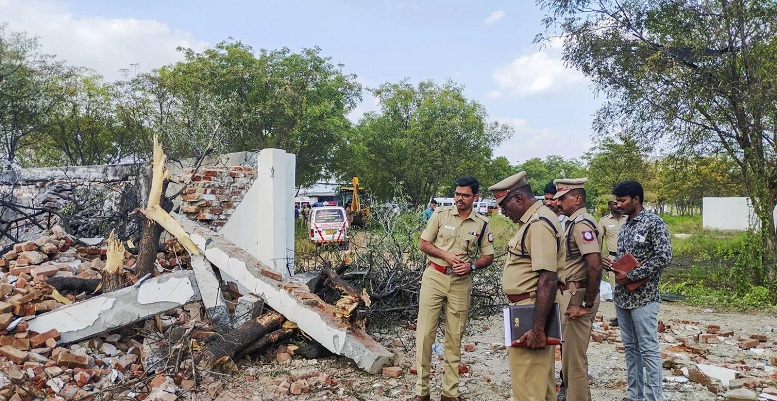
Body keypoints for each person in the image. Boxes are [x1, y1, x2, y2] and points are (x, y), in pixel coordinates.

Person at [412, 176, 495, 401]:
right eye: (457, 194)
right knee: (425, 334)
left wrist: (471, 266)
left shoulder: (482, 223)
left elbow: (488, 256)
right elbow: (423, 243)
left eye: (465, 195)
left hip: (460, 283)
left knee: (454, 337)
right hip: (434, 278)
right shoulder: (440, 215)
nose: (459, 198)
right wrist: (446, 254)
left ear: (475, 197)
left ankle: (450, 393)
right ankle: (422, 392)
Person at [488, 171, 564, 401]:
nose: (502, 211)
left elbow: (548, 278)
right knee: (542, 386)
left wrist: (538, 329)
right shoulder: (533, 220)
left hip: (531, 311)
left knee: (529, 387)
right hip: (529, 308)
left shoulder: (538, 224)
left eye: (504, 204)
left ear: (519, 199)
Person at [603, 180, 672, 401]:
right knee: (630, 348)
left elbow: (663, 256)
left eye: (623, 200)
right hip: (623, 297)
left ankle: (653, 397)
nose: (619, 204)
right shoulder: (625, 227)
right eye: (617, 200)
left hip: (644, 298)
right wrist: (612, 264)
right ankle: (635, 395)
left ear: (636, 199)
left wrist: (631, 275)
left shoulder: (654, 223)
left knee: (649, 349)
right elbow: (625, 259)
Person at [553, 178, 602, 401]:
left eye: (563, 198)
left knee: (574, 362)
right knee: (569, 359)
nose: (559, 202)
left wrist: (586, 304)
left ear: (578, 198)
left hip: (577, 296)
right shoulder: (571, 222)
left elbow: (594, 264)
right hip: (570, 294)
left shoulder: (582, 224)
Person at [599, 195, 628, 326]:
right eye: (614, 204)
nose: (617, 205)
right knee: (615, 287)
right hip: (613, 258)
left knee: (630, 286)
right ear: (609, 206)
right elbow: (598, 241)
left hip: (629, 258)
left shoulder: (628, 219)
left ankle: (630, 315)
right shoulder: (604, 221)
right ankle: (619, 317)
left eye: (619, 203)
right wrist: (599, 258)